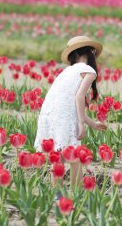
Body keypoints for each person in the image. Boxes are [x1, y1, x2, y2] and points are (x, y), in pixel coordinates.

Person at [34, 35, 107, 187]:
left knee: (58, 157)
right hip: (63, 113)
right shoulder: (89, 71)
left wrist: (92, 123)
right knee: (76, 157)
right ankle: (76, 192)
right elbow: (79, 97)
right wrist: (81, 123)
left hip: (49, 112)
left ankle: (57, 194)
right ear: (90, 54)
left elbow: (68, 105)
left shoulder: (68, 71)